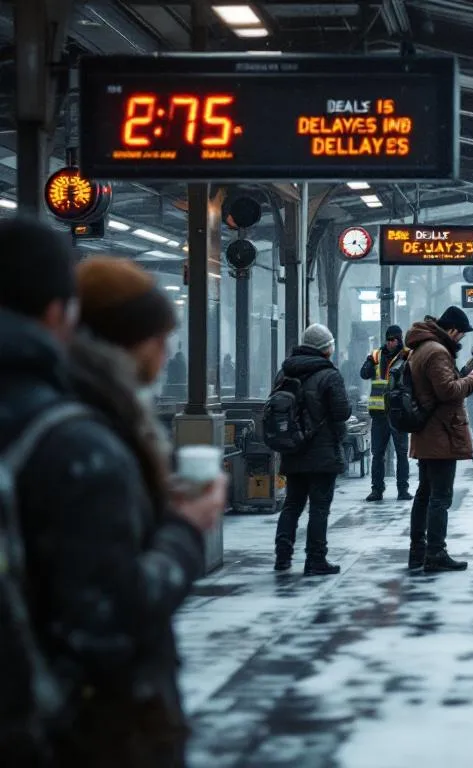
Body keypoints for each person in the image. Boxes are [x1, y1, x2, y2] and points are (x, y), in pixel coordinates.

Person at [0, 221, 225, 766]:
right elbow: (108, 621)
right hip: (79, 730)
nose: (168, 354)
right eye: (161, 340)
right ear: (60, 313)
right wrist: (184, 529)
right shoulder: (78, 443)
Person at [405, 307, 473, 572]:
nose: (459, 340)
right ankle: (435, 553)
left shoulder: (422, 348)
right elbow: (448, 390)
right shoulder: (437, 351)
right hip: (440, 434)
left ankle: (418, 551)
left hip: (428, 433)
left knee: (424, 494)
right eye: (460, 334)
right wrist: (472, 381)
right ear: (452, 330)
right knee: (439, 497)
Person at [272, 323, 351, 575]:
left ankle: (282, 556)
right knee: (319, 507)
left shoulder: (284, 372)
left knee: (292, 504)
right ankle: (315, 558)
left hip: (293, 448)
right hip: (322, 451)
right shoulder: (329, 374)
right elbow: (341, 412)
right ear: (325, 348)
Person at [360, 325, 411, 501]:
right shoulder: (376, 356)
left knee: (402, 453)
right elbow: (364, 374)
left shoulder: (407, 356)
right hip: (379, 413)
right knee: (378, 454)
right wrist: (368, 362)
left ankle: (403, 490)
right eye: (388, 340)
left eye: (393, 340)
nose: (390, 343)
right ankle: (377, 489)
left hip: (398, 412)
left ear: (399, 339)